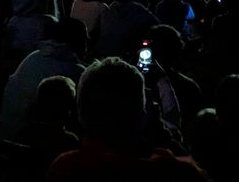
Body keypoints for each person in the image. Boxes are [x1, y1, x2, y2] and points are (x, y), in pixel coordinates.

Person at [45, 58, 208, 181]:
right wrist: (160, 133)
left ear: (81, 111)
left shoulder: (65, 167)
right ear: (142, 113)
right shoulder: (173, 171)